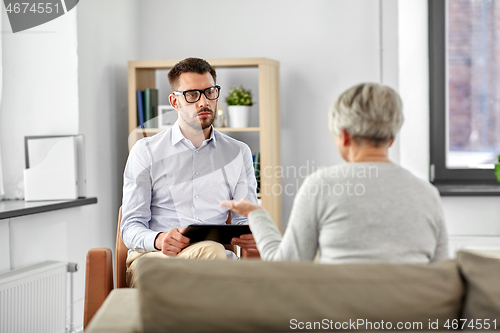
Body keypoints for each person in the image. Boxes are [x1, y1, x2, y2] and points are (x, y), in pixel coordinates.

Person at [223, 83, 449, 264]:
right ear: (391, 138)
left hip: (339, 320)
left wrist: (257, 214)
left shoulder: (320, 186)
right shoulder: (427, 194)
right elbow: (440, 275)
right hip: (411, 320)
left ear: (345, 136)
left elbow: (287, 267)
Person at [121, 58, 259, 286]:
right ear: (174, 102)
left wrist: (254, 234)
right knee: (215, 256)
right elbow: (130, 226)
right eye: (192, 95)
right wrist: (159, 239)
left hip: (213, 259)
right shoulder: (146, 152)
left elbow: (245, 218)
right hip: (156, 260)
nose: (204, 102)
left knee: (213, 254)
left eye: (210, 92)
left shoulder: (238, 152)